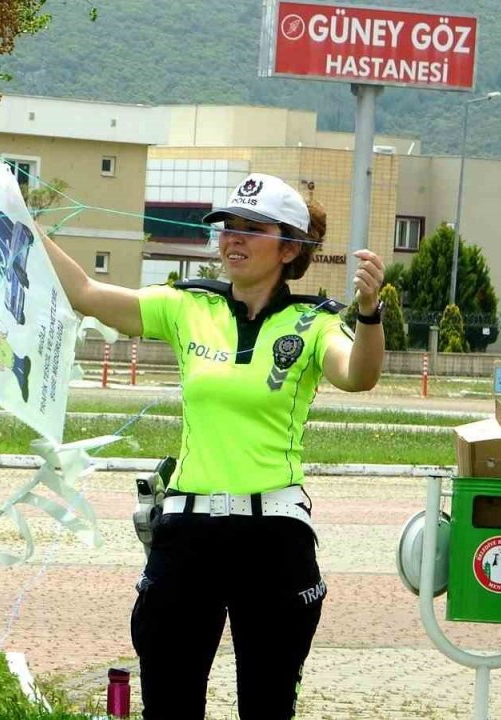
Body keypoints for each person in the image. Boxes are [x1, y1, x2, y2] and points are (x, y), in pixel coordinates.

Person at [42, 172, 385, 719]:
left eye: (252, 228)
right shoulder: (186, 306)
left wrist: (369, 314)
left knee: (267, 707)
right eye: (228, 227)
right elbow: (87, 294)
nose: (234, 239)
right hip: (186, 536)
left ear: (291, 246)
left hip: (274, 539)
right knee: (170, 705)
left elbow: (358, 375)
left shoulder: (313, 323)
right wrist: (25, 223)